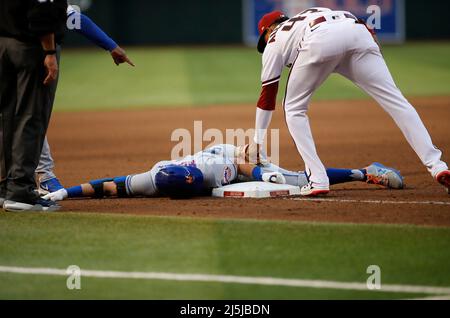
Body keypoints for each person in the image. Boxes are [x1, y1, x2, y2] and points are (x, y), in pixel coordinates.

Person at [253, 8, 450, 196]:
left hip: (321, 38)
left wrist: (258, 143)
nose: (265, 43)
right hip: (357, 30)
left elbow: (268, 96)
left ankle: (318, 179)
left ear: (270, 29)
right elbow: (354, 26)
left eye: (264, 38)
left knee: (293, 108)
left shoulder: (274, 40)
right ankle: (438, 166)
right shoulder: (308, 14)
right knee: (397, 101)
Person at [43, 144, 404, 201]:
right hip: (218, 161)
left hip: (231, 157)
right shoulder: (154, 179)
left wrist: (269, 174)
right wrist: (64, 193)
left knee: (297, 180)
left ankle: (364, 172)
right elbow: (108, 186)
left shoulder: (211, 171)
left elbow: (246, 167)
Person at [37, 4, 135, 195]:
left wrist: (110, 45)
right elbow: (74, 19)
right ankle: (42, 175)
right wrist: (111, 45)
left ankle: (21, 179)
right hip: (32, 52)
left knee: (14, 115)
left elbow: (73, 17)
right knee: (32, 114)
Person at [0, 0, 67, 212]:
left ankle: (5, 189)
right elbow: (42, 7)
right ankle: (20, 192)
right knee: (31, 118)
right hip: (30, 47)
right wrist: (49, 51)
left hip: (3, 43)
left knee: (7, 118)